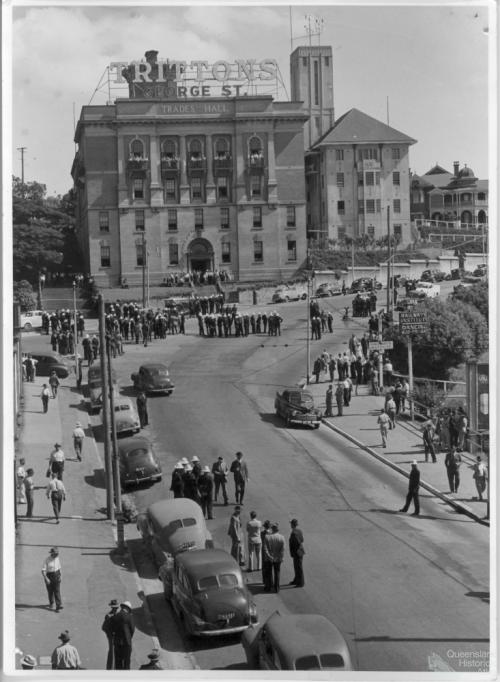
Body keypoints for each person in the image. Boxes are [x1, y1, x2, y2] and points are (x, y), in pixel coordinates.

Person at [111, 601, 135, 670]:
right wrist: (129, 637)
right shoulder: (129, 617)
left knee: (118, 662)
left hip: (117, 642)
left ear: (122, 607)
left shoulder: (115, 616)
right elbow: (132, 629)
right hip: (127, 642)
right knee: (126, 662)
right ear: (128, 609)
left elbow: (112, 629)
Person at [262, 522, 285, 593]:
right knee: (277, 573)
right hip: (278, 558)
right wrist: (281, 557)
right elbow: (282, 549)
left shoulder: (267, 537)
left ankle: (268, 587)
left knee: (269, 573)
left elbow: (265, 548)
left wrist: (269, 556)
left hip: (269, 559)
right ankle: (277, 588)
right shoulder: (282, 537)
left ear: (272, 529)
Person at [41, 547, 63, 611]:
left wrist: (60, 576)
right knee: (50, 592)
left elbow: (59, 568)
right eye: (56, 554)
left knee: (57, 591)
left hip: (57, 575)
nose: (57, 555)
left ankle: (58, 605)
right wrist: (46, 578)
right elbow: (43, 571)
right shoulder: (47, 560)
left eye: (57, 553)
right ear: (52, 553)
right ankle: (51, 603)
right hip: (49, 576)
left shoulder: (57, 559)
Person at [102, 599, 119, 670]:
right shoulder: (109, 616)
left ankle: (114, 667)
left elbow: (104, 627)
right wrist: (110, 634)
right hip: (114, 636)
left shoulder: (116, 615)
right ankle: (112, 668)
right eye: (115, 607)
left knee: (115, 651)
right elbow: (104, 627)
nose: (116, 609)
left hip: (116, 636)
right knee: (113, 652)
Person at [288, 519, 305, 588]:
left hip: (297, 552)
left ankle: (301, 583)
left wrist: (294, 549)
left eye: (291, 524)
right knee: (296, 567)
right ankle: (296, 580)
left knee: (299, 567)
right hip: (300, 551)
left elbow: (296, 542)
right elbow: (302, 540)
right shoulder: (299, 531)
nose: (290, 525)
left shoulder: (294, 533)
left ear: (292, 525)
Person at [260, 520, 272, 590]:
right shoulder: (271, 533)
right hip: (270, 551)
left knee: (264, 567)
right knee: (269, 567)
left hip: (264, 551)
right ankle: (270, 581)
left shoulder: (262, 533)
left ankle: (265, 581)